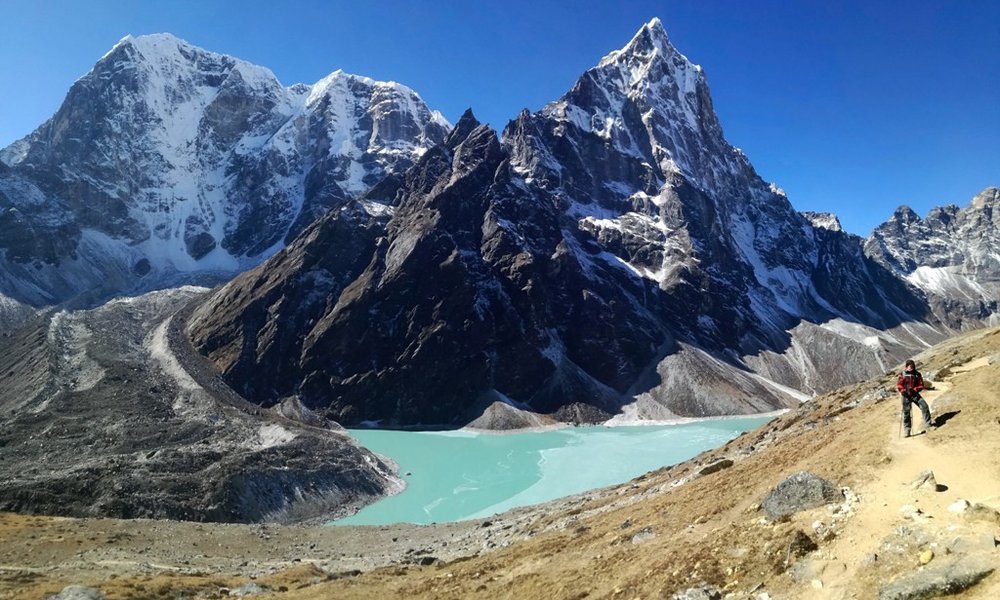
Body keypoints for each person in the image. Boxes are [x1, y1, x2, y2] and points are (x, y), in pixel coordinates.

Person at [897, 359, 934, 437]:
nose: (911, 368)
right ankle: (907, 431)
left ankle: (928, 426)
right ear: (906, 367)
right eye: (909, 367)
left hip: (915, 395)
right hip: (906, 396)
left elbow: (921, 385)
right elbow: (899, 385)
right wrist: (902, 390)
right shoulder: (902, 374)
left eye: (912, 366)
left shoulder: (917, 374)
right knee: (906, 413)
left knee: (925, 407)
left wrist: (915, 389)